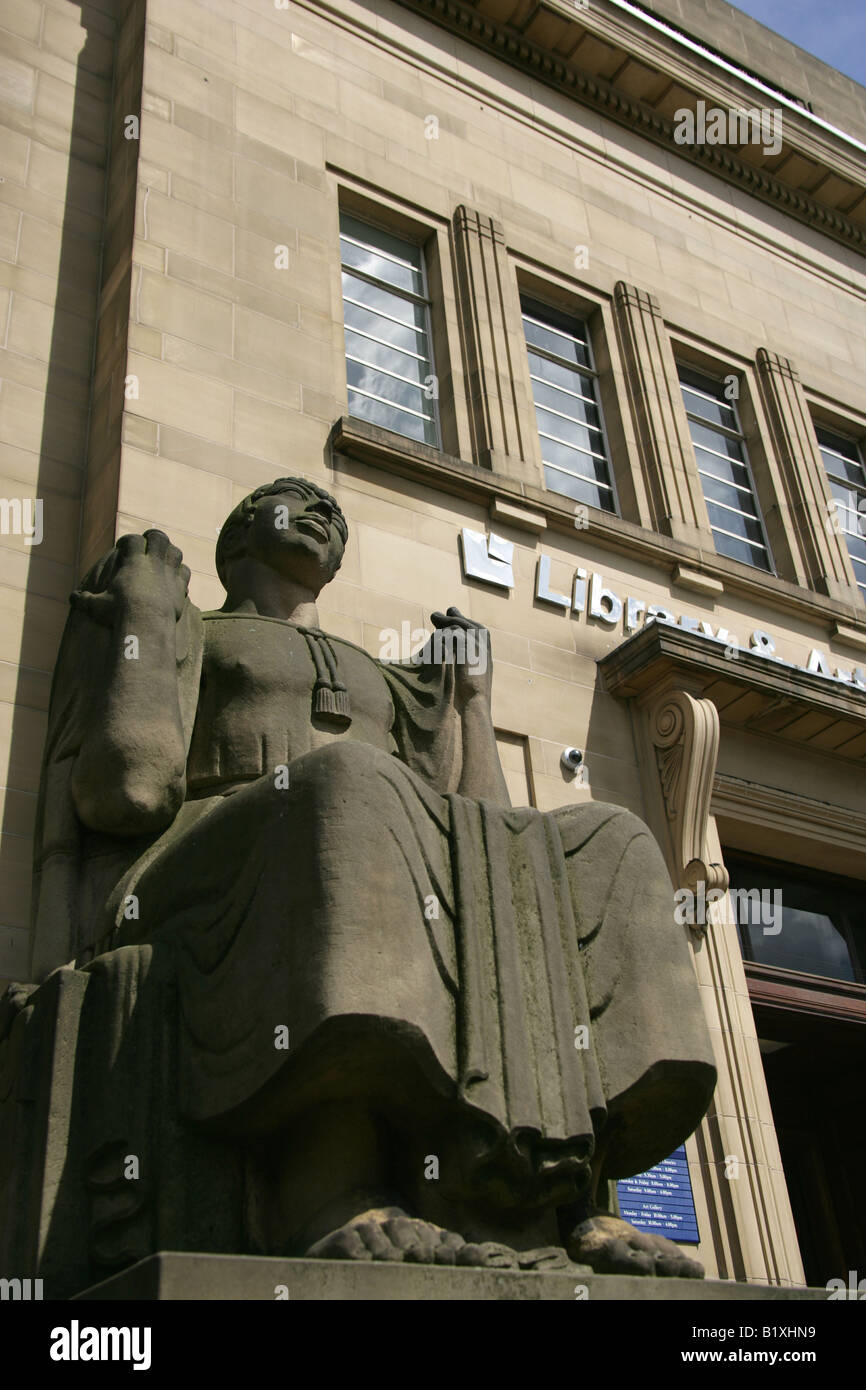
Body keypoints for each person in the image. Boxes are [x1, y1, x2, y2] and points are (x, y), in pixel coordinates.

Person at [18, 476, 715, 1281]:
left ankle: (566, 1195)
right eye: (294, 499)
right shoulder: (194, 629)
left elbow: (486, 830)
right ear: (239, 531)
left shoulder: (385, 681)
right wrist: (144, 610)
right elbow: (128, 789)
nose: (323, 513)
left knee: (610, 839)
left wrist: (474, 702)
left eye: (335, 511)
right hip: (201, 857)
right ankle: (329, 1189)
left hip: (357, 833)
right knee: (348, 788)